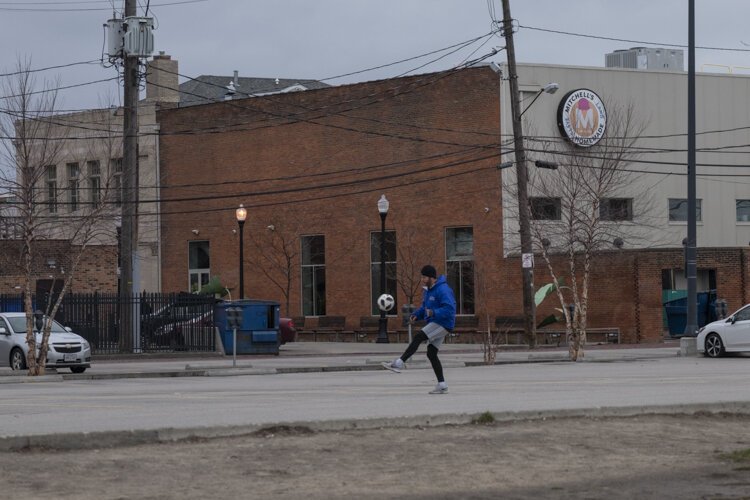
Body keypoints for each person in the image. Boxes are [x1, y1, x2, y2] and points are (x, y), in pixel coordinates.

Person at [382, 264, 456, 394]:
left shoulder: (443, 290)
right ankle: (442, 384)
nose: (422, 279)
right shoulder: (427, 291)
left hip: (443, 323)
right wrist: (416, 315)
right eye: (422, 277)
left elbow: (450, 309)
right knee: (431, 353)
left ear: (432, 278)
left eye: (425, 277)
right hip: (437, 322)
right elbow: (424, 307)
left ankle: (400, 362)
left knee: (419, 336)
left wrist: (434, 313)